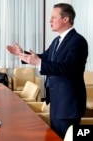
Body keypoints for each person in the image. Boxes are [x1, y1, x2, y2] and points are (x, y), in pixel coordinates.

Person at [6, 3, 88, 139]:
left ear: (65, 19)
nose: (50, 21)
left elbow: (69, 68)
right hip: (56, 103)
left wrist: (39, 62)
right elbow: (44, 58)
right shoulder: (57, 40)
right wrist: (22, 54)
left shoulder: (78, 41)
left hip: (68, 105)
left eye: (53, 17)